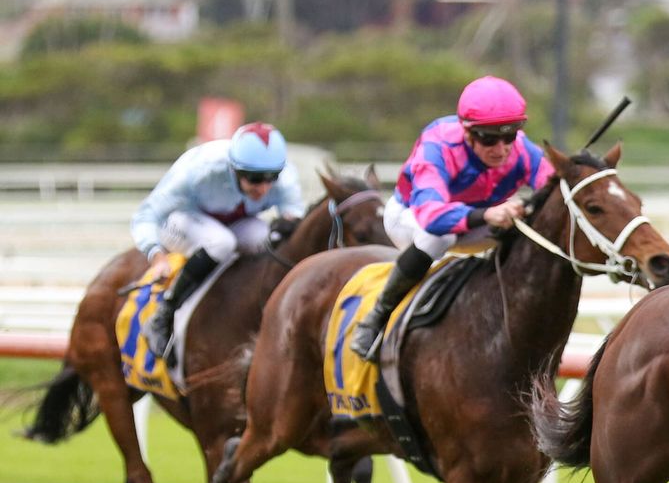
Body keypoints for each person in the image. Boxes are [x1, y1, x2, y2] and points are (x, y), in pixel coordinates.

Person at [349, 75, 555, 361]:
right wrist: (487, 214)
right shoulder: (438, 145)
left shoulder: (521, 149)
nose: (501, 149)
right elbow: (432, 215)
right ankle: (376, 318)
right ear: (467, 132)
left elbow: (554, 188)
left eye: (509, 136)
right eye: (489, 138)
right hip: (412, 219)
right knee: (440, 236)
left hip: (479, 224)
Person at [134, 122, 305, 358]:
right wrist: (157, 256)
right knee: (221, 243)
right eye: (255, 178)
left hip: (233, 222)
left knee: (265, 239)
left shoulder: (286, 177)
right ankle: (163, 314)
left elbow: (293, 224)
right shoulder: (200, 170)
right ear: (234, 169)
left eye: (271, 177)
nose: (264, 187)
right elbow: (146, 215)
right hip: (182, 219)